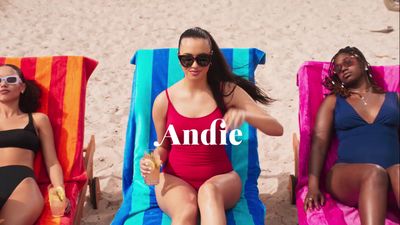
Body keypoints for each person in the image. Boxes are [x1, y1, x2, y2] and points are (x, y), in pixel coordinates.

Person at [140, 27, 283, 225]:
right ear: (179, 58)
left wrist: (246, 113)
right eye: (187, 59)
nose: (194, 65)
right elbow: (163, 147)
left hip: (221, 180)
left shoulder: (227, 91)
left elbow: (277, 129)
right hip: (175, 179)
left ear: (211, 58)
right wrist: (152, 162)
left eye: (202, 59)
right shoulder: (164, 101)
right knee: (186, 209)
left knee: (209, 192)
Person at [304, 46, 400, 225]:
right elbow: (318, 143)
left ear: (363, 64)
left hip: (392, 178)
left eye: (348, 62)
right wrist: (313, 186)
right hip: (346, 176)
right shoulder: (333, 101)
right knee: (374, 173)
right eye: (338, 69)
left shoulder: (395, 99)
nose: (343, 69)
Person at [0, 64, 68, 224]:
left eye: (10, 79)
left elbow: (51, 162)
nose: (3, 84)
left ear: (22, 87)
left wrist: (59, 193)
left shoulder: (38, 119)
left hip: (21, 185)